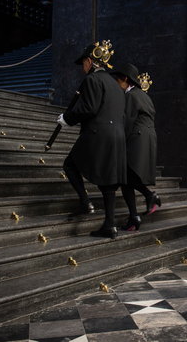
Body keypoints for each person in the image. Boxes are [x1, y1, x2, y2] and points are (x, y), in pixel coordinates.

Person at [58, 40, 127, 239]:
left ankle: (85, 202)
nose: (83, 67)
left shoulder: (92, 80)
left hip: (98, 133)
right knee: (108, 182)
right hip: (117, 135)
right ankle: (110, 224)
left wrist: (67, 118)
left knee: (70, 164)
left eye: (83, 63)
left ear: (90, 61)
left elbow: (89, 108)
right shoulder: (115, 85)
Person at [111, 64, 160, 231]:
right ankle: (135, 216)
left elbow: (127, 121)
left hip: (136, 138)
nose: (117, 85)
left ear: (125, 79)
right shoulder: (144, 96)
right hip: (147, 138)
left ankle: (147, 199)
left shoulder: (131, 95)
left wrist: (117, 142)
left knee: (125, 177)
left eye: (118, 81)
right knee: (126, 179)